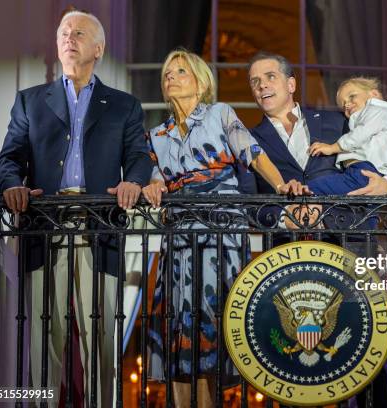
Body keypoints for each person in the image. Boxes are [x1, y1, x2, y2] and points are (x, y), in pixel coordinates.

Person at [0, 9, 152, 406]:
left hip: (100, 230)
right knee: (46, 339)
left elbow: (138, 155)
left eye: (79, 33)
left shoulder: (124, 105)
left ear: (97, 48)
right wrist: (12, 185)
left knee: (102, 339)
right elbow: (10, 157)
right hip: (44, 228)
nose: (68, 38)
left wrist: (134, 181)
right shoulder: (30, 101)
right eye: (64, 32)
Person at [142, 48, 303, 407]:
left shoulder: (219, 114)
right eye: (167, 72)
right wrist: (152, 185)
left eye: (180, 71)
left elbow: (254, 154)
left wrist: (281, 187)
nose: (170, 77)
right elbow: (155, 177)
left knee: (212, 334)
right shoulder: (158, 134)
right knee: (179, 337)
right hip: (180, 244)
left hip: (221, 239)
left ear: (200, 83)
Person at [246, 52, 387, 231]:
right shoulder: (248, 140)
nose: (262, 85)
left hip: (347, 238)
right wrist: (283, 218)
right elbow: (246, 201)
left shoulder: (338, 120)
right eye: (254, 81)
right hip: (285, 249)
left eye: (270, 77)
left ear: (291, 84)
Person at [306, 76, 387, 195]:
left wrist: (332, 148)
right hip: (357, 171)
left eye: (352, 96)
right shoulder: (365, 117)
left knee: (318, 187)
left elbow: (361, 134)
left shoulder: (378, 111)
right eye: (343, 105)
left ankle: (300, 191)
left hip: (365, 170)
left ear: (374, 94)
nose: (346, 105)